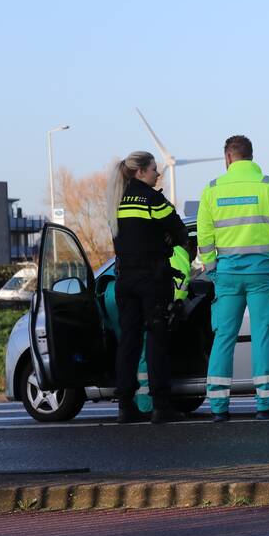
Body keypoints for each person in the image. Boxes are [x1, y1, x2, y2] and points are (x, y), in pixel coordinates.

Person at [198, 135, 269, 422]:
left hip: (227, 275)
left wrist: (213, 268)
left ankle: (218, 408)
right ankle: (265, 405)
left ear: (228, 158)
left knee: (224, 337)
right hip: (264, 274)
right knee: (263, 337)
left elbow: (205, 236)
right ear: (251, 156)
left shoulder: (212, 190)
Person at [106, 151, 189, 424]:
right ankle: (160, 405)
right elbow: (180, 232)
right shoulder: (153, 199)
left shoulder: (115, 201)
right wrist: (165, 239)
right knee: (156, 339)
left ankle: (125, 406)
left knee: (128, 341)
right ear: (140, 171)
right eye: (154, 169)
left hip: (124, 281)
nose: (158, 174)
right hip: (152, 280)